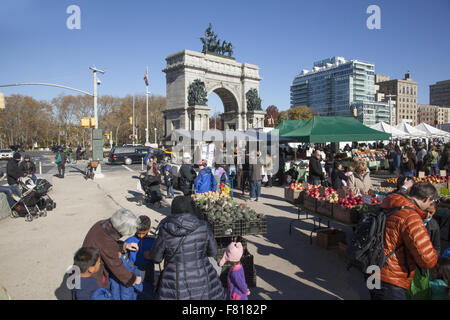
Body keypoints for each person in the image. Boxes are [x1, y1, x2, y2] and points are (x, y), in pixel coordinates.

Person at [370, 182, 439, 300]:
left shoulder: (388, 203)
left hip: (371, 269)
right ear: (427, 198)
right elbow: (428, 260)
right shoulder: (411, 217)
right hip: (391, 279)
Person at [148, 196, 226, 300]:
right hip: (203, 279)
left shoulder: (165, 229)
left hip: (175, 283)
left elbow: (156, 258)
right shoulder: (203, 226)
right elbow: (213, 252)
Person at [82, 209, 142, 290]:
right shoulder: (106, 241)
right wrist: (132, 279)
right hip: (91, 274)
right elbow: (115, 265)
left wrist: (124, 245)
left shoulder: (102, 224)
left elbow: (107, 243)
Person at [124, 215, 155, 300]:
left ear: (150, 229)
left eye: (143, 233)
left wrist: (151, 256)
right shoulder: (129, 241)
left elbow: (159, 256)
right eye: (138, 233)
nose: (141, 236)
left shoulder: (153, 241)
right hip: (132, 270)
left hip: (148, 272)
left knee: (147, 292)